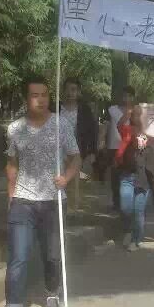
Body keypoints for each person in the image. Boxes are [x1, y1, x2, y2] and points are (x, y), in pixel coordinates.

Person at [0, 76, 81, 307]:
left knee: (52, 255)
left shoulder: (61, 125)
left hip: (53, 201)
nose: (41, 100)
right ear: (26, 99)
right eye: (35, 95)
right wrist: (11, 195)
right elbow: (12, 163)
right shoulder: (15, 128)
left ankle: (52, 291)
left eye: (44, 95)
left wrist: (66, 178)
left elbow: (76, 158)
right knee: (18, 256)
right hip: (23, 200)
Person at [116, 106, 154, 249]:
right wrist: (127, 113)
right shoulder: (128, 130)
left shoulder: (152, 136)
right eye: (135, 115)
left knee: (138, 211)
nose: (138, 118)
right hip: (127, 176)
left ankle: (135, 239)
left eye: (140, 115)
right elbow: (119, 125)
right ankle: (128, 231)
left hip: (143, 179)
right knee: (125, 207)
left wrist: (147, 145)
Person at [58, 77, 98, 210]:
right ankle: (61, 205)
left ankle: (73, 206)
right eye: (67, 89)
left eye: (73, 89)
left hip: (77, 148)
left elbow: (92, 131)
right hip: (58, 148)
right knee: (60, 176)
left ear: (79, 92)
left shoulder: (84, 110)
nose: (70, 93)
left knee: (74, 176)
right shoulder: (56, 108)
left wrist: (92, 152)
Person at [104, 86, 136, 211]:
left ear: (133, 97)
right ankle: (116, 202)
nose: (126, 98)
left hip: (130, 147)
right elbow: (112, 125)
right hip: (114, 146)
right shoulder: (112, 109)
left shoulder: (136, 111)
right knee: (115, 175)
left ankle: (128, 202)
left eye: (129, 96)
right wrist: (102, 141)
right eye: (124, 95)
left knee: (128, 174)